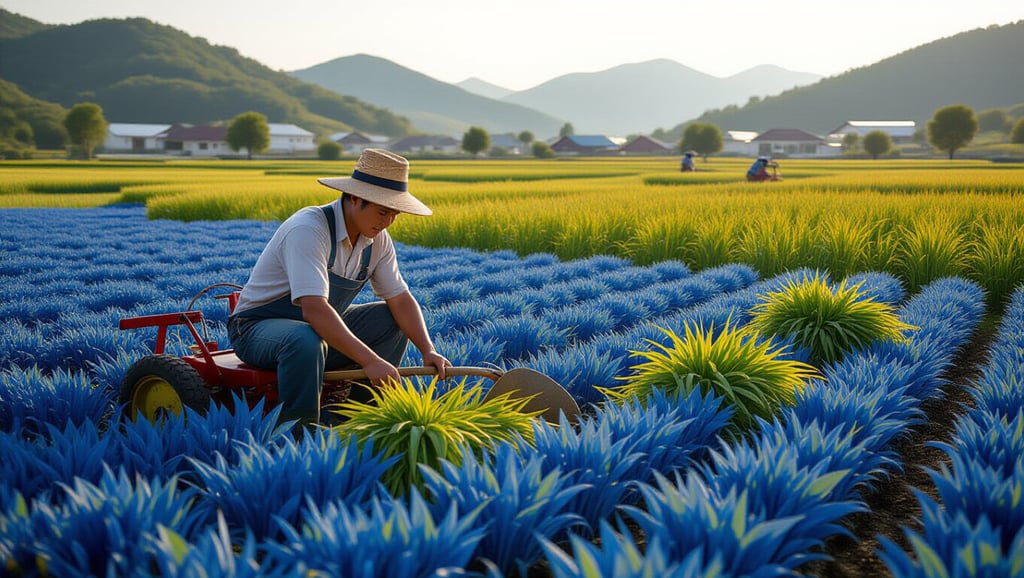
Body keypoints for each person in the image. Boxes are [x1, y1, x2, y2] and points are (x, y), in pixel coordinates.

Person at [227, 148, 451, 432]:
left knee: (389, 318)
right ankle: (299, 431)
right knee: (303, 338)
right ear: (355, 197)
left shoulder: (377, 240)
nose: (387, 222)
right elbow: (314, 309)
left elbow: (400, 298)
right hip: (257, 329)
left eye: (395, 214)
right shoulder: (309, 229)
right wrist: (370, 361)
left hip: (317, 331)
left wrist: (427, 349)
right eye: (383, 212)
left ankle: (358, 419)